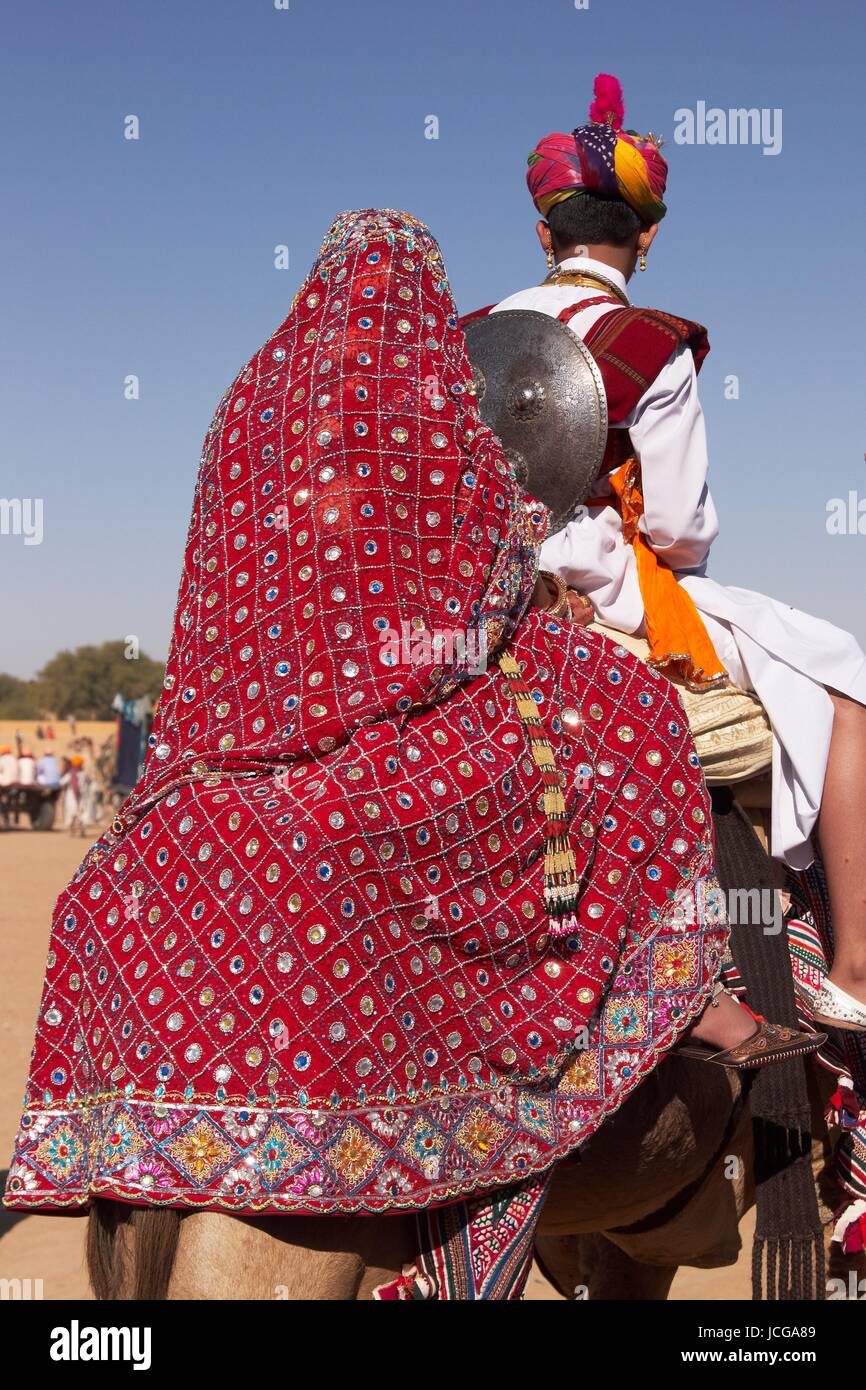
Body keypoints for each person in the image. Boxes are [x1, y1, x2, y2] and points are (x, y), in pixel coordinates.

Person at [3, 210, 820, 1298]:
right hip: (410, 688)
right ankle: (708, 996)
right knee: (629, 714)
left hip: (235, 727)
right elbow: (523, 558)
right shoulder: (448, 396)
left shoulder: (244, 412)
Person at [491, 74, 866, 1033]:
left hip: (486, 608)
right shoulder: (647, 343)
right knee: (845, 694)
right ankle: (858, 970)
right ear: (647, 235)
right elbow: (682, 528)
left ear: (543, 231)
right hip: (614, 602)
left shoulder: (469, 339)